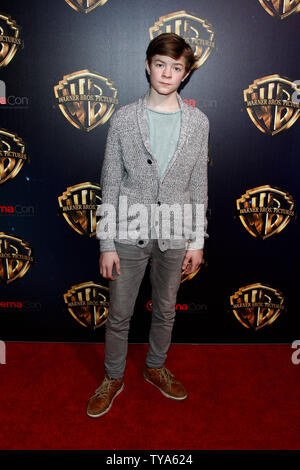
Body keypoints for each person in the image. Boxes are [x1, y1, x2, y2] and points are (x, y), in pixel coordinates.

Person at [87, 32, 210, 418]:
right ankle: (113, 377)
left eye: (176, 67)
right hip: (127, 231)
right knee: (120, 313)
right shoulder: (124, 118)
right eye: (160, 64)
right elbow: (109, 180)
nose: (167, 73)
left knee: (167, 309)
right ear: (147, 65)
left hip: (175, 232)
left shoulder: (199, 122)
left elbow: (198, 184)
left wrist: (196, 239)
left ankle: (155, 367)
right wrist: (106, 243)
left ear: (186, 74)